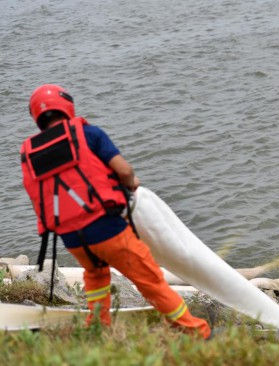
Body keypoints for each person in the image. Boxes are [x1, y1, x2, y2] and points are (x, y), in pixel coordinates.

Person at [20, 84, 211, 339]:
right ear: (66, 105)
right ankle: (196, 331)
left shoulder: (29, 153)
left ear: (37, 116)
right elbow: (123, 171)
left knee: (96, 275)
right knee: (150, 279)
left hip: (72, 238)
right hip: (106, 228)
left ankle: (98, 326)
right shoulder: (88, 134)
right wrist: (132, 183)